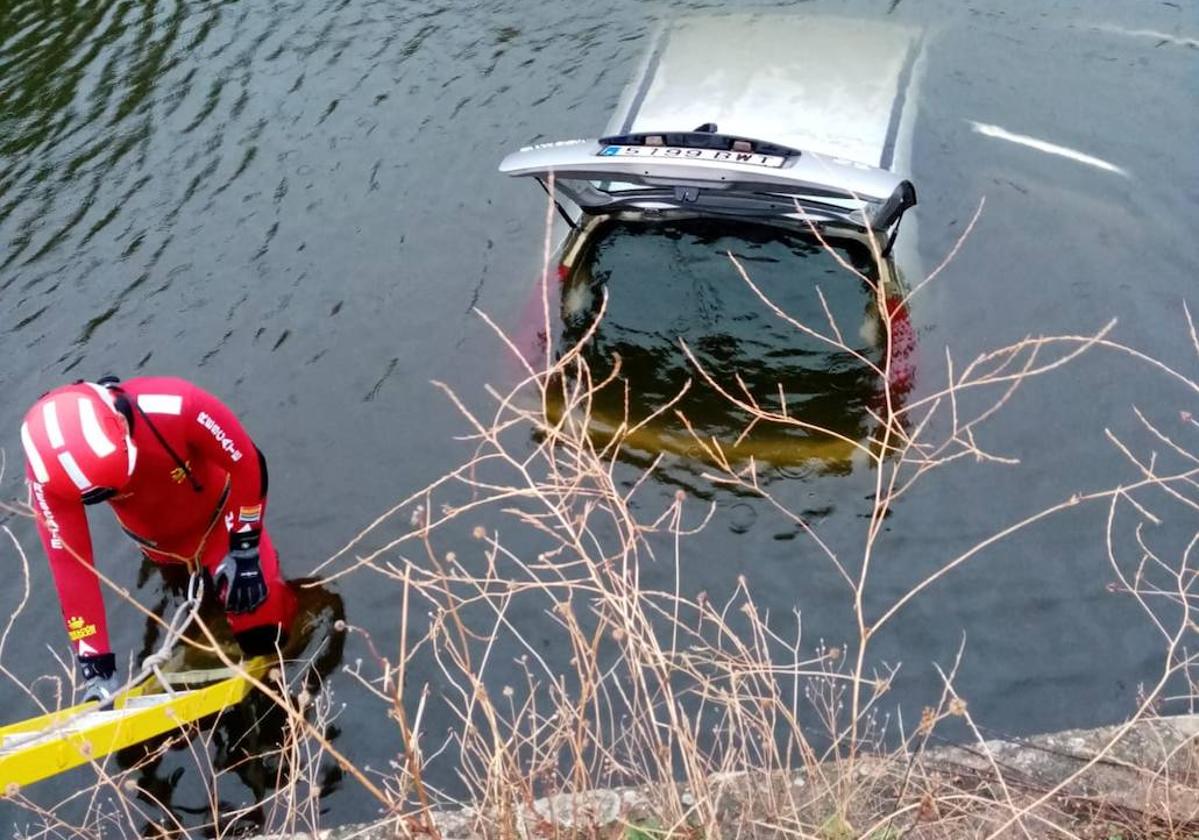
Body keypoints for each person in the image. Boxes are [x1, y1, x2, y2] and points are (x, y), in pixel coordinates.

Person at [20, 376, 296, 704]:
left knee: (266, 636)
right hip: (161, 548)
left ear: (121, 423)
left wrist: (245, 550)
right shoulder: (48, 475)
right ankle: (208, 620)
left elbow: (249, 463)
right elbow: (70, 566)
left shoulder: (179, 406)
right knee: (191, 597)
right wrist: (95, 664)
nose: (117, 493)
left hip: (222, 525)